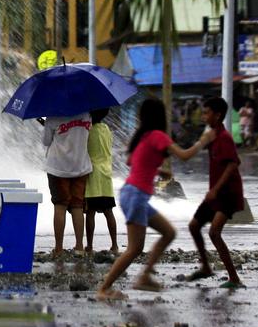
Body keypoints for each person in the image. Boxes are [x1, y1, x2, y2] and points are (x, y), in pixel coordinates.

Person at [96, 98, 216, 300]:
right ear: (161, 116)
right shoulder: (158, 136)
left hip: (132, 194)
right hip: (135, 196)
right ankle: (104, 288)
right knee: (135, 248)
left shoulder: (142, 136)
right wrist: (203, 141)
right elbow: (184, 156)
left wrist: (157, 170)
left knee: (168, 232)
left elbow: (131, 161)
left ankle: (145, 276)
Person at [183, 97, 244, 288]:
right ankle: (206, 267)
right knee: (194, 226)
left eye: (207, 112)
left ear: (217, 115)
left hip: (227, 194)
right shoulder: (212, 136)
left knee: (214, 232)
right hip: (215, 194)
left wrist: (216, 189)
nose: (203, 116)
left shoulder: (224, 138)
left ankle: (234, 278)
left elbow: (233, 164)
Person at [41, 111, 94, 258]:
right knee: (77, 205)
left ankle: (59, 248)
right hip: (80, 167)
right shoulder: (86, 115)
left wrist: (46, 125)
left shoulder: (53, 117)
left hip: (58, 168)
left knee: (60, 205)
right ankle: (79, 246)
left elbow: (46, 141)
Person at [84, 108, 119, 254]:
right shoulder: (106, 129)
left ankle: (90, 246)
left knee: (90, 211)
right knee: (108, 211)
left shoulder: (88, 130)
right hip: (106, 173)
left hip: (92, 174)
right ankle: (115, 245)